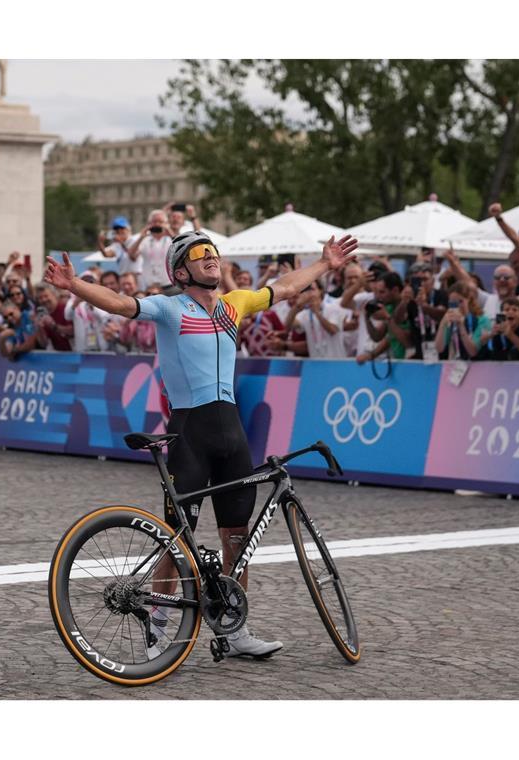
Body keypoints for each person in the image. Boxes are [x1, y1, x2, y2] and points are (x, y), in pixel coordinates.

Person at [43, 230, 359, 659]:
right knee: (176, 538)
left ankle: (234, 630)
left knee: (237, 537)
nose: (211, 258)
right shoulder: (170, 309)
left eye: (212, 251)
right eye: (199, 254)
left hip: (231, 431)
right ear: (180, 270)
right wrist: (74, 284)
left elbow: (283, 289)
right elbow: (120, 304)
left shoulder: (235, 303)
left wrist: (326, 264)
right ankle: (157, 627)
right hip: (189, 431)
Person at [434, 282, 488, 361]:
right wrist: (443, 323)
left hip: (480, 367)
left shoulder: (482, 320)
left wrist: (461, 326)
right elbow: (439, 348)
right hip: (457, 366)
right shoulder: (450, 320)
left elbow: (472, 352)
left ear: (468, 299)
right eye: (453, 303)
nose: (457, 306)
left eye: (460, 301)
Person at [126, 209, 172, 289]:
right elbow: (131, 255)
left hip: (169, 286)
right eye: (154, 222)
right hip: (148, 287)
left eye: (160, 222)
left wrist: (170, 232)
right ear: (149, 224)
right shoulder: (145, 240)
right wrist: (141, 237)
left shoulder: (170, 239)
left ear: (166, 224)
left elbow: (181, 248)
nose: (157, 224)